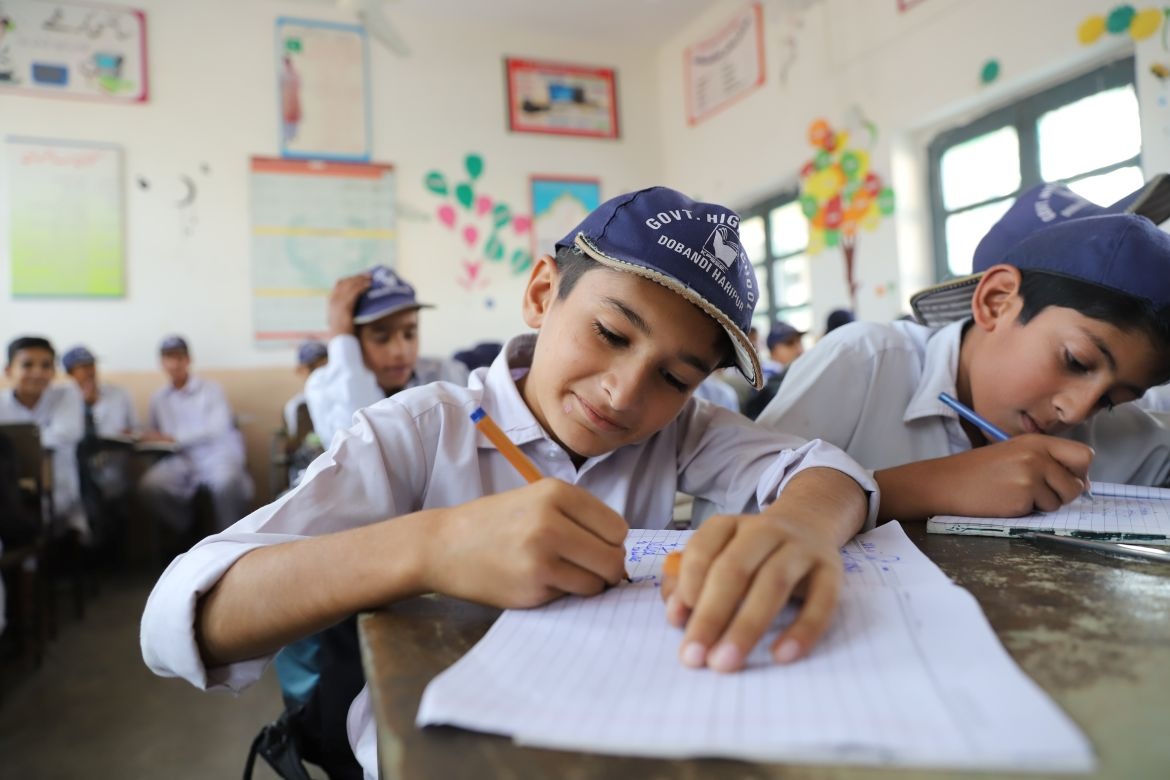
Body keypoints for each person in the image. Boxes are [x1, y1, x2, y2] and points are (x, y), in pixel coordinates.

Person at [141, 186, 877, 779]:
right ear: (541, 292)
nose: (624, 395)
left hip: (621, 737)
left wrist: (797, 527)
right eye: (611, 335)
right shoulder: (422, 431)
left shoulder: (675, 433)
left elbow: (826, 470)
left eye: (675, 377)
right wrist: (431, 545)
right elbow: (182, 623)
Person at [757, 209, 1170, 522]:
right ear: (997, 301)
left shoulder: (1130, 444)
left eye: (1114, 400)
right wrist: (930, 486)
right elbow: (727, 513)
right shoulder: (864, 363)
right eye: (1076, 361)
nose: (1078, 411)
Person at [305, 266, 469, 445]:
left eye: (410, 334)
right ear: (354, 342)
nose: (401, 350)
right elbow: (361, 446)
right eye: (381, 338)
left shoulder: (446, 374)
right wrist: (341, 337)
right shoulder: (323, 386)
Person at [138, 336, 254, 535]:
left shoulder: (211, 390)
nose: (174, 364)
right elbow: (157, 434)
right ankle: (187, 528)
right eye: (168, 358)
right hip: (180, 459)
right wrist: (147, 437)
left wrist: (174, 438)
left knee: (227, 482)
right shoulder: (158, 398)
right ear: (162, 363)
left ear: (188, 360)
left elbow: (217, 429)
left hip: (216, 455)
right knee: (150, 486)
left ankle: (231, 538)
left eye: (179, 358)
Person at [0, 336, 87, 539]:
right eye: (27, 365)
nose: (38, 372)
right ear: (8, 370)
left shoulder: (67, 394)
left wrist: (11, 446)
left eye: (46, 365)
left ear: (54, 371)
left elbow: (67, 433)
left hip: (58, 491)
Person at [63, 345, 139, 556]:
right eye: (82, 367)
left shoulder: (119, 394)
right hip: (78, 473)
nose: (89, 371)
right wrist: (85, 408)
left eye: (91, 365)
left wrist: (129, 433)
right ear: (70, 372)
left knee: (109, 495)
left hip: (113, 467)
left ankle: (110, 557)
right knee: (83, 493)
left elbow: (135, 429)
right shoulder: (63, 399)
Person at [283, 340, 328, 440]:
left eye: (326, 365)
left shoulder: (342, 396)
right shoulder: (297, 405)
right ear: (300, 370)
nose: (322, 372)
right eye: (314, 367)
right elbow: (295, 441)